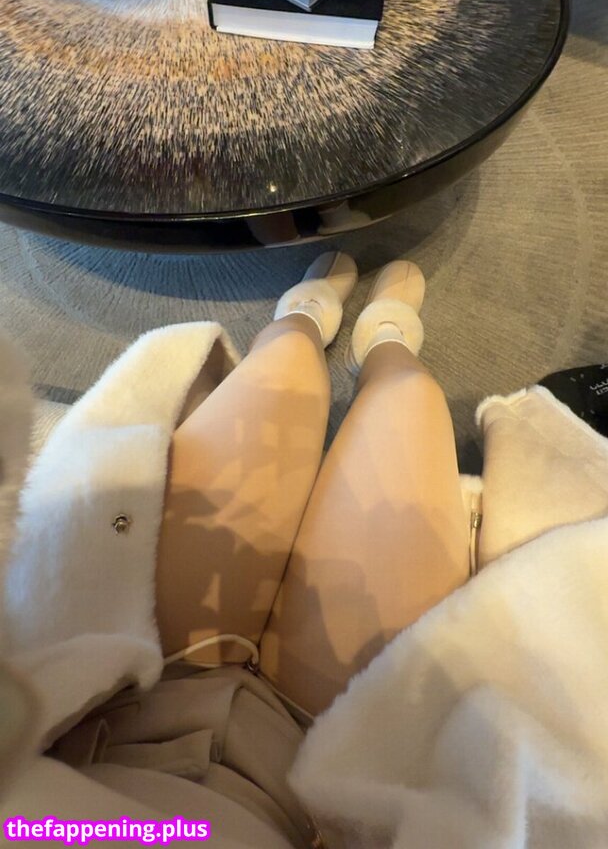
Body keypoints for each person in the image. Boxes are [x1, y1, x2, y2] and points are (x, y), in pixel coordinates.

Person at [1, 253, 608, 849]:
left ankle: (302, 319)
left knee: (285, 363)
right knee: (410, 397)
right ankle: (386, 342)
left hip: (134, 685)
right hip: (328, 763)